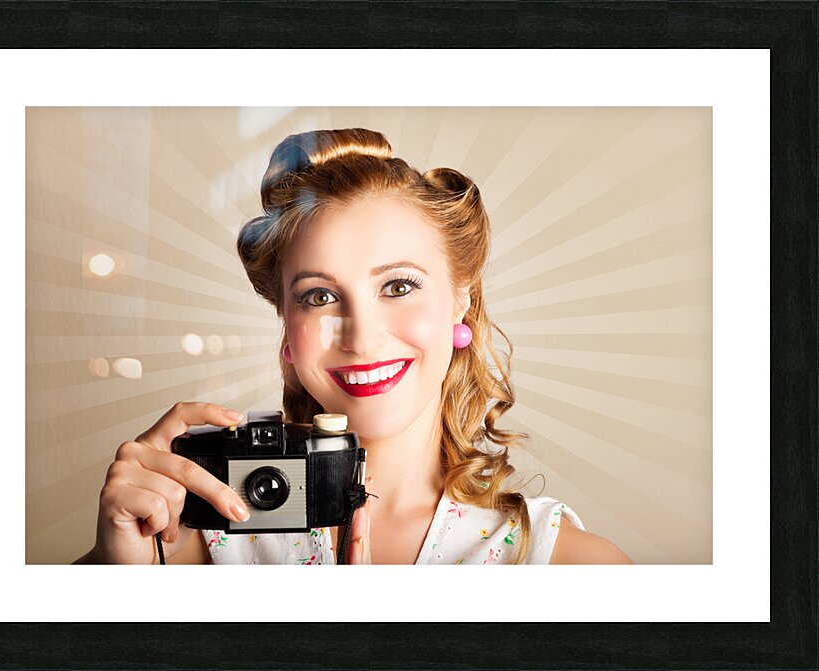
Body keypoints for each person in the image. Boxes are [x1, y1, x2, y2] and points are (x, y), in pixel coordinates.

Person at [74, 128, 632, 566]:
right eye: (319, 296)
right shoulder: (187, 544)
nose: (361, 336)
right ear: (286, 326)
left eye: (398, 286)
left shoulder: (563, 566)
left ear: (461, 300)